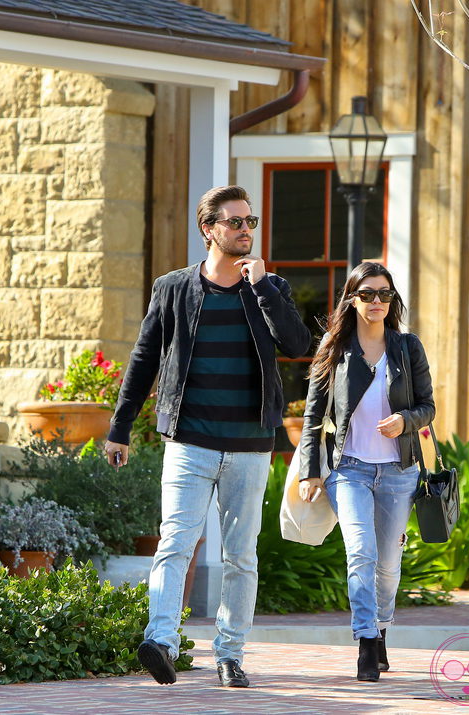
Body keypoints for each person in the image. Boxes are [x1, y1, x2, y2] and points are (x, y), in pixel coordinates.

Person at [104, 185, 310, 688]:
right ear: (208, 230)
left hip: (249, 445)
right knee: (175, 541)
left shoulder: (269, 289)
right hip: (189, 440)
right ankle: (162, 641)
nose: (246, 229)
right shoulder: (173, 288)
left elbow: (299, 344)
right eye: (235, 221)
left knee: (240, 554)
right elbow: (144, 357)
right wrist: (120, 427)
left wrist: (263, 289)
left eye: (250, 221)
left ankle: (230, 654)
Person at [296, 261, 434, 682]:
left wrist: (405, 421)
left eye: (385, 294)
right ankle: (365, 642)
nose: (377, 301)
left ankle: (381, 629)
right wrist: (309, 470)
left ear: (392, 301)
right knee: (361, 553)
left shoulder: (408, 347)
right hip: (349, 469)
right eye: (368, 293)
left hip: (398, 471)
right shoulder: (334, 349)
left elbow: (428, 406)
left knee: (389, 564)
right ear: (352, 299)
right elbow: (313, 415)